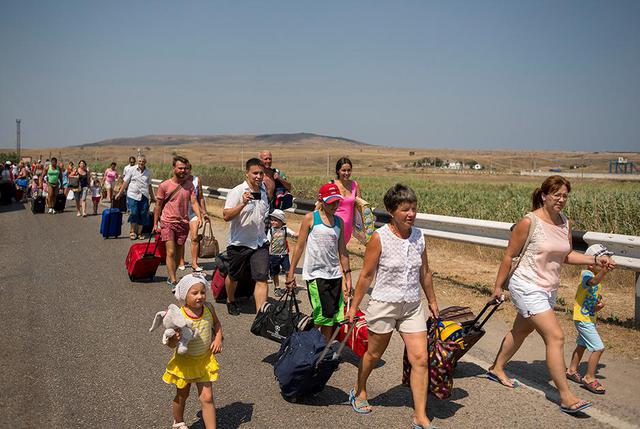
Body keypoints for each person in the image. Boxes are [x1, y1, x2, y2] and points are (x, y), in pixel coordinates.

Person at [486, 175, 615, 414]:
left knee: (521, 330)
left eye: (565, 195)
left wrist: (595, 259)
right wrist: (497, 287)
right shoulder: (529, 221)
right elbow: (509, 255)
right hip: (526, 285)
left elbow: (566, 256)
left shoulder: (565, 221)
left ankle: (496, 368)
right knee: (555, 337)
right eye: (556, 194)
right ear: (544, 195)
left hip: (548, 288)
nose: (561, 199)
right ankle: (565, 396)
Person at [346, 184, 438, 429]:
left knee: (420, 358)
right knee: (374, 354)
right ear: (391, 211)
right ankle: (360, 389)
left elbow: (425, 272)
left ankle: (420, 415)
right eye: (405, 209)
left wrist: (432, 301)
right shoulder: (379, 238)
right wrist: (354, 306)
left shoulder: (419, 236)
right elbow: (366, 276)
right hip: (385, 304)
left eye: (414, 209)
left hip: (411, 306)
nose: (411, 214)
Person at [286, 182, 352, 342]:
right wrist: (291, 272)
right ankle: (305, 344)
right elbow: (300, 246)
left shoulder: (339, 222)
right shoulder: (310, 218)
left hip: (334, 275)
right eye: (331, 202)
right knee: (321, 315)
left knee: (331, 317)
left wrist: (348, 278)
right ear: (321, 200)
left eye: (337, 201)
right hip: (315, 275)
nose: (335, 205)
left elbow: (342, 251)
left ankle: (323, 351)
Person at [163, 274, 223, 429]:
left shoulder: (208, 308)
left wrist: (217, 339)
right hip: (185, 363)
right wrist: (175, 339)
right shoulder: (179, 316)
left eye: (202, 292)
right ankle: (178, 422)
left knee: (207, 397)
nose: (200, 296)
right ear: (184, 295)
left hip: (204, 361)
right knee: (183, 395)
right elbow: (170, 344)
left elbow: (217, 324)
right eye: (194, 293)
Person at [222, 158, 270, 315]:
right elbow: (226, 215)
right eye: (255, 173)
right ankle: (230, 300)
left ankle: (260, 314)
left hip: (259, 242)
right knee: (234, 276)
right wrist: (242, 203)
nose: (258, 176)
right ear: (247, 173)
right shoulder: (237, 191)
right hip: (240, 242)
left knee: (262, 277)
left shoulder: (263, 191)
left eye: (261, 173)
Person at [566, 243, 613, 394]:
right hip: (582, 318)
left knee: (582, 344)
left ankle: (572, 370)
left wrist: (598, 305)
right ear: (592, 264)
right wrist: (604, 271)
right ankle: (589, 378)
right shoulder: (587, 274)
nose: (606, 263)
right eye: (603, 261)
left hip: (588, 317)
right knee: (598, 348)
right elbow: (592, 283)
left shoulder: (596, 278)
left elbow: (591, 295)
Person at [153, 156, 202, 288]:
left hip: (183, 222)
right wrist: (155, 223)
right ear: (174, 168)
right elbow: (158, 205)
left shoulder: (190, 185)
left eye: (185, 168)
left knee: (178, 251)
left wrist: (200, 216)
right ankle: (173, 280)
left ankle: (171, 275)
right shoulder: (164, 185)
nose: (183, 171)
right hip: (167, 221)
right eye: (180, 168)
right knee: (171, 252)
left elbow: (194, 201)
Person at [178, 163, 209, 272]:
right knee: (181, 238)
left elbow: (200, 196)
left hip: (194, 212)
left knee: (195, 238)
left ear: (190, 169)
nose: (185, 171)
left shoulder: (196, 180)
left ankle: (194, 263)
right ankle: (181, 260)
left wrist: (204, 212)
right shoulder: (179, 180)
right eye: (183, 169)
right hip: (181, 213)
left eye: (187, 168)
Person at [117, 155, 155, 240]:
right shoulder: (131, 169)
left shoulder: (148, 172)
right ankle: (132, 232)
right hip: (133, 195)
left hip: (144, 195)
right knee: (134, 213)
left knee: (143, 214)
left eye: (143, 161)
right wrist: (120, 193)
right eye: (140, 161)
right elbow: (125, 182)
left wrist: (152, 197)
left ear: (145, 162)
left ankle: (139, 233)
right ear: (137, 162)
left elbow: (149, 185)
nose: (141, 163)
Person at [266, 209, 297, 297]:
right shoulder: (270, 231)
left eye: (275, 220)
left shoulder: (285, 229)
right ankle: (277, 287)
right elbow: (267, 241)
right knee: (275, 273)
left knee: (288, 271)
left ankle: (289, 287)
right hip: (273, 255)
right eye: (272, 220)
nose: (273, 222)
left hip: (284, 255)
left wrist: (304, 232)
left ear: (281, 221)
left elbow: (294, 234)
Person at [333, 157, 360, 245]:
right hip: (333, 224)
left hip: (348, 226)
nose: (347, 173)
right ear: (338, 171)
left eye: (349, 170)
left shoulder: (355, 185)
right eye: (343, 170)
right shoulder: (332, 185)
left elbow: (360, 206)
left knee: (341, 251)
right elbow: (322, 204)